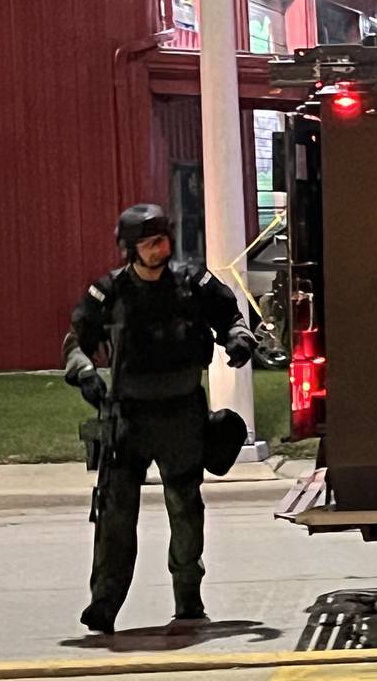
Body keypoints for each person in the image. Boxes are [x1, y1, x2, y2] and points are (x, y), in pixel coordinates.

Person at [63, 204, 256, 634]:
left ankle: (189, 600)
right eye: (151, 243)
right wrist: (84, 372)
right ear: (130, 249)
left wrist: (238, 340)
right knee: (116, 515)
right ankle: (105, 604)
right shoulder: (108, 292)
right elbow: (76, 342)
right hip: (129, 418)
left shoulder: (194, 283)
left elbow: (230, 318)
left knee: (186, 509)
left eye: (164, 239)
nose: (161, 248)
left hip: (182, 414)